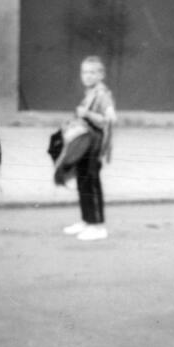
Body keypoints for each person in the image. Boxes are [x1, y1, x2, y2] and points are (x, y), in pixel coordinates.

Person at [62, 56, 117, 241]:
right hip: (85, 144)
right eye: (85, 72)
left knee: (91, 183)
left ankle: (98, 225)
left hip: (94, 143)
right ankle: (86, 220)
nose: (88, 76)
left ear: (101, 75)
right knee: (83, 182)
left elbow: (110, 118)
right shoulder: (91, 92)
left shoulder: (103, 94)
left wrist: (87, 114)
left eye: (93, 72)